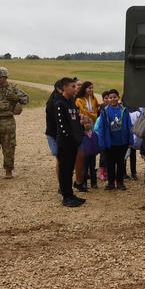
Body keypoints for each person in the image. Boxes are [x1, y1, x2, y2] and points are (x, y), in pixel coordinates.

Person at [48, 77, 86, 207]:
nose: (75, 89)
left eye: (76, 86)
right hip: (65, 143)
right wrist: (70, 139)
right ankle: (66, 196)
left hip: (73, 142)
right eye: (73, 87)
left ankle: (70, 193)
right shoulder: (59, 103)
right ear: (64, 88)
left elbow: (74, 122)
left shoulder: (71, 103)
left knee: (70, 169)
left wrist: (80, 132)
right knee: (64, 169)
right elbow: (62, 126)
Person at [95, 88, 131, 190]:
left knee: (120, 163)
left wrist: (130, 140)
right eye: (110, 97)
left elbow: (129, 125)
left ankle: (120, 182)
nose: (112, 99)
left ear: (118, 98)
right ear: (108, 99)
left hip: (122, 141)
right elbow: (101, 127)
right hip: (109, 142)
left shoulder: (124, 110)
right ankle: (111, 183)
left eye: (114, 97)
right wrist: (101, 141)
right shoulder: (104, 111)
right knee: (110, 163)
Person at [75, 81, 102, 188]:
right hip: (84, 126)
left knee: (93, 148)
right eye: (89, 88)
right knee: (84, 151)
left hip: (93, 125)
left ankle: (91, 176)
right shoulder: (79, 100)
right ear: (84, 89)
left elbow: (96, 108)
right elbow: (83, 112)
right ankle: (83, 176)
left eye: (92, 88)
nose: (91, 90)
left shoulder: (94, 98)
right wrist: (94, 115)